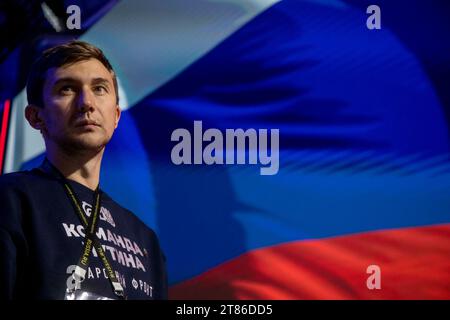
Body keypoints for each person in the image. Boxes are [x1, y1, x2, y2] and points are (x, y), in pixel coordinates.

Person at [0, 40, 168, 300]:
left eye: (99, 88)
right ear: (36, 117)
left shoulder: (146, 242)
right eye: (67, 89)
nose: (86, 103)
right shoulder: (11, 199)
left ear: (115, 116)